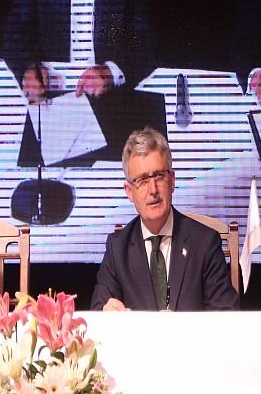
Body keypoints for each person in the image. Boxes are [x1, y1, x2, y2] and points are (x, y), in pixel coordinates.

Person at [2, 0, 164, 167]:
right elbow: (14, 34)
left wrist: (112, 71)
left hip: (112, 94)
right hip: (54, 96)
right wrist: (27, 68)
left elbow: (149, 42)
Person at [90, 127, 239, 311]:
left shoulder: (204, 243)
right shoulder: (118, 249)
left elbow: (226, 313)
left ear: (172, 181)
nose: (153, 190)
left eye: (159, 176)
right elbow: (98, 311)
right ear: (129, 192)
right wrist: (107, 314)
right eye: (143, 180)